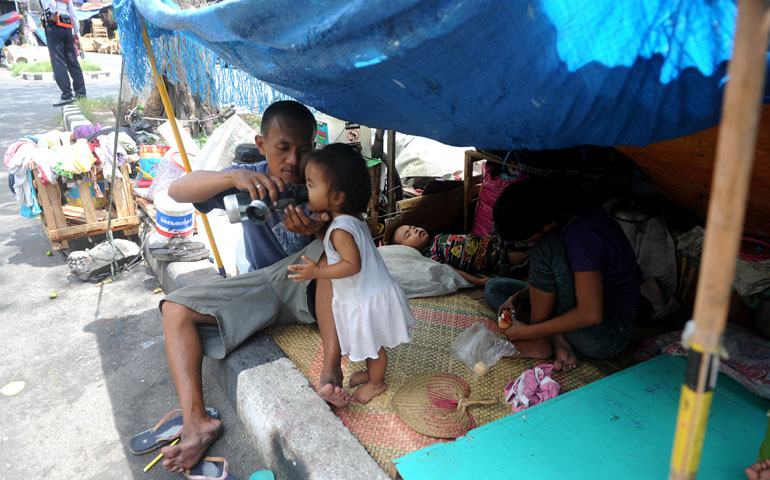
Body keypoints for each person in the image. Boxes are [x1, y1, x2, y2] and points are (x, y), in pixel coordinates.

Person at [158, 101, 349, 473]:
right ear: (261, 144)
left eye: (304, 148)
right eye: (283, 147)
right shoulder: (249, 177)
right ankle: (196, 419)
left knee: (325, 253)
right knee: (174, 308)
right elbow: (178, 190)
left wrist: (317, 230)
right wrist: (233, 178)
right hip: (264, 285)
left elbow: (351, 237)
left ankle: (330, 373)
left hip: (314, 284)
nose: (294, 159)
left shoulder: (322, 181)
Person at [288, 144, 416, 404]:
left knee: (374, 346)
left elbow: (351, 265)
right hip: (368, 293)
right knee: (369, 341)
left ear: (335, 198)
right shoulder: (350, 218)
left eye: (311, 185)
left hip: (366, 297)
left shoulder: (340, 230)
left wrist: (318, 271)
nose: (305, 191)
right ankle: (371, 375)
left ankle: (377, 383)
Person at [485, 179, 643, 372]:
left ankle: (540, 341)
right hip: (582, 305)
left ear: (548, 222)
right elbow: (564, 281)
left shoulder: (581, 234)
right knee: (496, 287)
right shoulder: (566, 219)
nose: (530, 246)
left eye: (530, 240)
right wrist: (515, 298)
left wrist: (529, 332)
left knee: (545, 249)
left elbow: (591, 314)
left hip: (609, 332)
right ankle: (557, 338)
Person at [391, 224, 530, 288]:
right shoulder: (430, 256)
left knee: (518, 236)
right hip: (495, 258)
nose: (414, 229)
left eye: (412, 227)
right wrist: (478, 281)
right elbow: (452, 270)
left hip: (491, 243)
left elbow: (465, 240)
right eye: (408, 234)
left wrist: (483, 239)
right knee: (522, 258)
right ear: (405, 248)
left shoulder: (438, 238)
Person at [39, 0, 87, 107]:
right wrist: (75, 32)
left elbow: (51, 3)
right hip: (67, 28)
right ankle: (81, 93)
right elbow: (73, 14)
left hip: (54, 26)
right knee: (72, 61)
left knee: (58, 61)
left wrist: (54, 13)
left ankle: (67, 95)